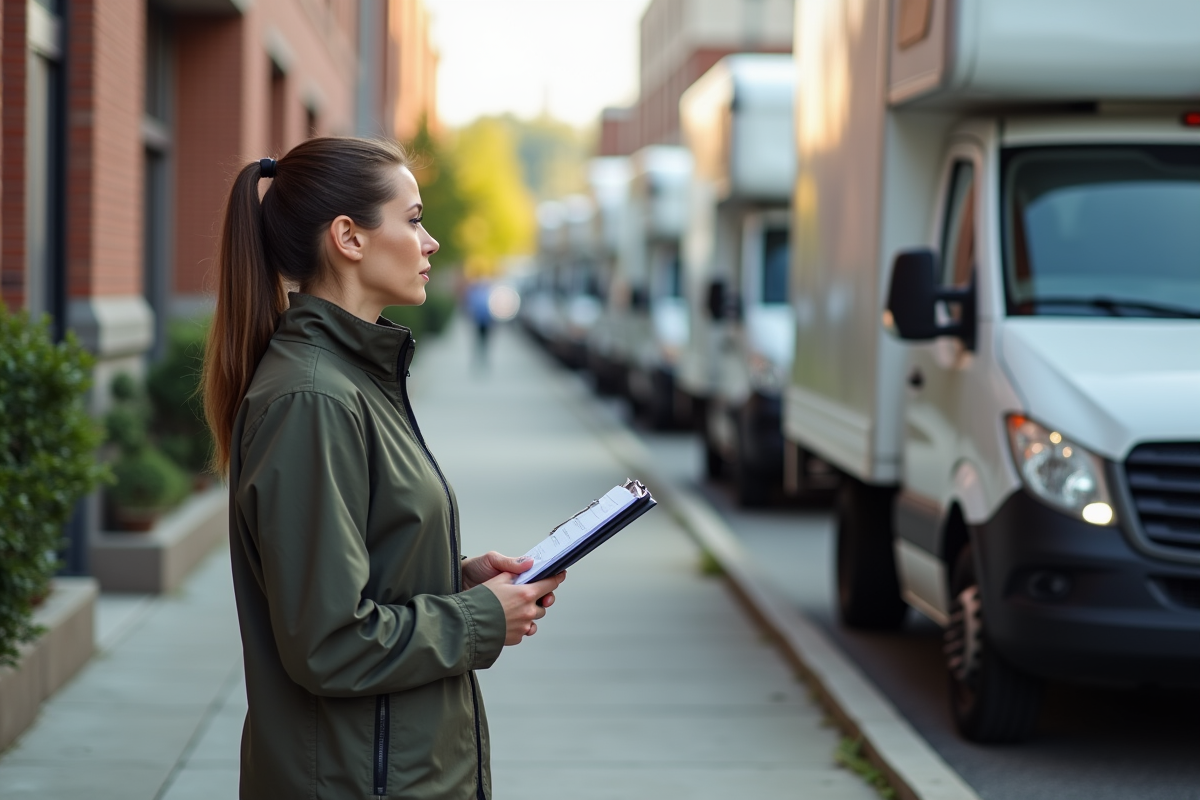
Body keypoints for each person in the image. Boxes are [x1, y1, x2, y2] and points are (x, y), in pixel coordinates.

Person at [201, 137, 566, 800]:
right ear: (349, 237)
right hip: (355, 781)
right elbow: (330, 639)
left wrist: (459, 582)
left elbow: (355, 569)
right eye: (415, 219)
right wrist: (481, 619)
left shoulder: (352, 381)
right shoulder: (312, 399)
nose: (431, 243)